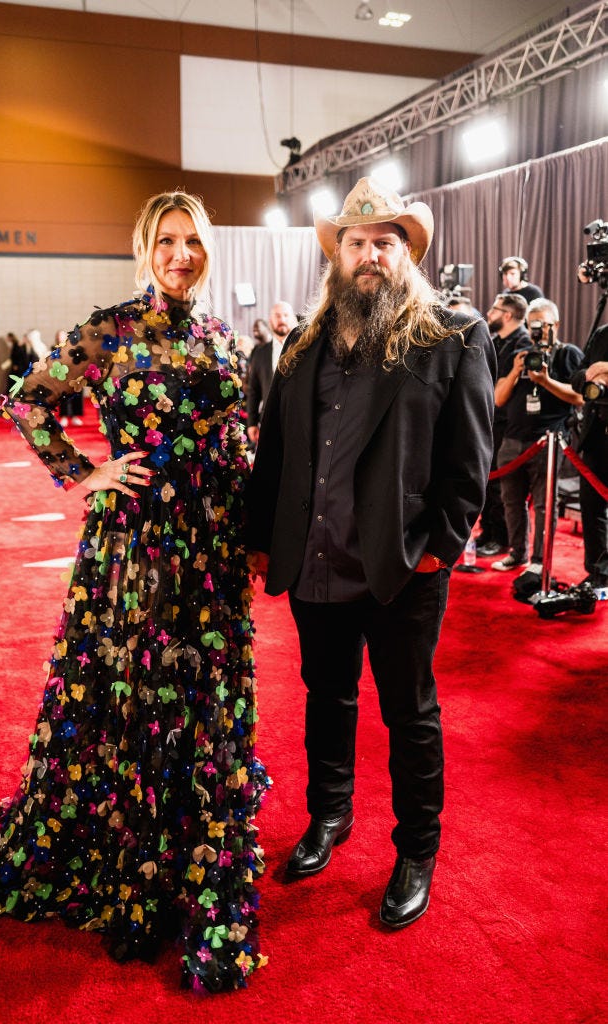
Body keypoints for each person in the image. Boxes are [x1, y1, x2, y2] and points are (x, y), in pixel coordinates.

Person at [0, 190, 268, 993]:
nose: (181, 254)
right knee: (132, 692)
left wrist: (253, 524)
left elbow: (233, 435)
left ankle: (188, 837)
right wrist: (84, 474)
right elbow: (27, 400)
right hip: (132, 550)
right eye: (166, 240)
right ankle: (131, 851)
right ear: (143, 248)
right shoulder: (109, 329)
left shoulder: (224, 339)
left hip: (209, 553)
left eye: (192, 241)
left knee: (195, 695)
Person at [245, 177, 495, 928]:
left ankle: (415, 849)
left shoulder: (451, 335)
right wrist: (261, 539)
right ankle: (330, 815)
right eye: (354, 242)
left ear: (405, 253)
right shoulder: (302, 345)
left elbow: (470, 457)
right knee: (327, 697)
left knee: (407, 710)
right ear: (336, 255)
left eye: (382, 242)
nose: (367, 254)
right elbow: (275, 452)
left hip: (400, 567)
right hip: (315, 560)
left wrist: (439, 549)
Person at [491, 298, 583, 573]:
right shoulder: (518, 353)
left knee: (544, 506)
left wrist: (545, 381)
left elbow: (578, 397)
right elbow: (498, 398)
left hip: (549, 441)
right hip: (513, 438)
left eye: (543, 326)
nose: (537, 332)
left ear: (556, 324)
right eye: (533, 326)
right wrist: (517, 371)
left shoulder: (569, 355)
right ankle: (517, 553)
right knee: (511, 502)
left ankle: (540, 561)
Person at [474, 292, 530, 557]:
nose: (489, 314)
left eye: (495, 310)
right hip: (489, 421)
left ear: (508, 315)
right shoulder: (498, 341)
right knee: (486, 483)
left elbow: (499, 394)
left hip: (507, 426)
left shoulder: (523, 344)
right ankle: (489, 531)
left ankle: (502, 537)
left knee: (499, 487)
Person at [570, 323, 608, 588]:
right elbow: (575, 378)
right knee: (591, 509)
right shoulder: (602, 333)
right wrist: (590, 374)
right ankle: (597, 572)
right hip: (596, 437)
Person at [246, 301, 298, 448]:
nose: (281, 319)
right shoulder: (260, 353)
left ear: (293, 319)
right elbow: (253, 390)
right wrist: (251, 423)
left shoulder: (306, 349)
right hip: (269, 421)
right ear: (270, 320)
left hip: (299, 421)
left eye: (286, 315)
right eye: (277, 316)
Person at [55, 329, 86, 427]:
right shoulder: (55, 349)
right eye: (59, 336)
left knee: (76, 396)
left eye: (62, 336)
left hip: (75, 375)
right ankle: (64, 416)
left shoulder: (74, 347)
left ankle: (74, 416)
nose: (61, 338)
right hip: (62, 376)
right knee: (64, 398)